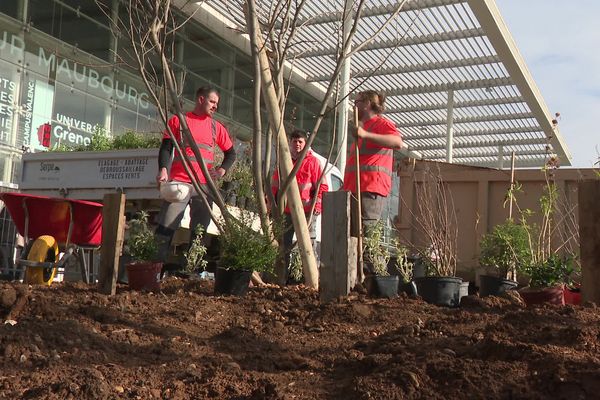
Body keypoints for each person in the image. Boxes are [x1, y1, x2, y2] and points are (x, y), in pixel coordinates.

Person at [155, 86, 236, 267]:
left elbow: (231, 154)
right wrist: (163, 169)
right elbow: (166, 148)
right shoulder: (179, 121)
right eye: (212, 102)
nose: (215, 106)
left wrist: (222, 170)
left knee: (199, 231)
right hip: (180, 183)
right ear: (200, 99)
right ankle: (154, 267)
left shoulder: (217, 127)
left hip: (204, 187)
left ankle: (191, 269)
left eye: (217, 103)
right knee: (166, 227)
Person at [343, 90, 403, 274]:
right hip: (354, 189)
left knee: (367, 236)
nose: (355, 105)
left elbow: (397, 142)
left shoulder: (380, 124)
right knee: (354, 237)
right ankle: (359, 278)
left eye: (358, 101)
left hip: (370, 188)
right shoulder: (362, 128)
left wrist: (365, 135)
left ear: (367, 103)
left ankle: (379, 276)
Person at [271, 130, 328, 283]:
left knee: (308, 246)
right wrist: (273, 206)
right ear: (289, 143)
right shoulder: (284, 161)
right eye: (294, 141)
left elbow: (322, 187)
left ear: (305, 144)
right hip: (287, 212)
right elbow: (275, 186)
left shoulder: (313, 162)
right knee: (283, 247)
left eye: (300, 141)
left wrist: (317, 207)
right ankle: (280, 280)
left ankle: (312, 281)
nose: (297, 144)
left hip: (307, 212)